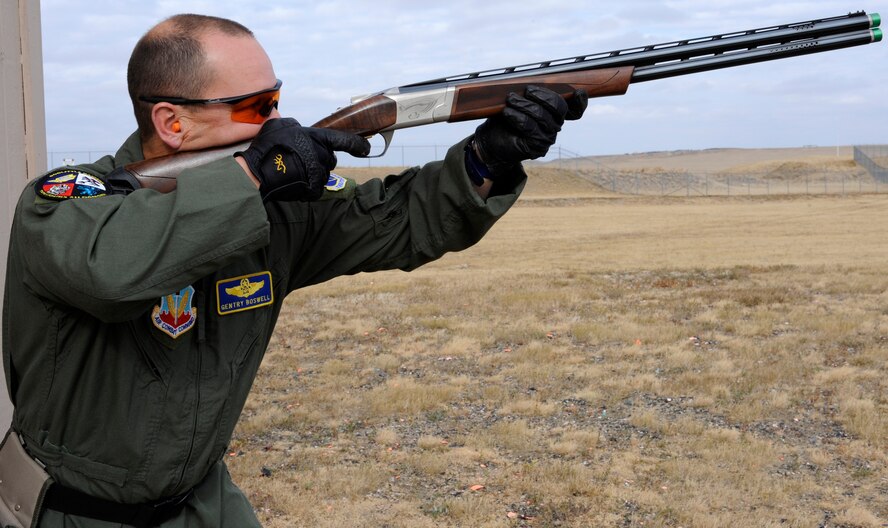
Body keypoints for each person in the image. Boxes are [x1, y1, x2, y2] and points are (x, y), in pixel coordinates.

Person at [2, 13, 587, 528]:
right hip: (70, 512)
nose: (278, 122)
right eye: (258, 108)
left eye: (276, 99)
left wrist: (490, 156)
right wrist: (254, 176)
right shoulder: (66, 202)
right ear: (171, 122)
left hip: (203, 502)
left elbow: (399, 221)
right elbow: (112, 272)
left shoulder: (274, 207)